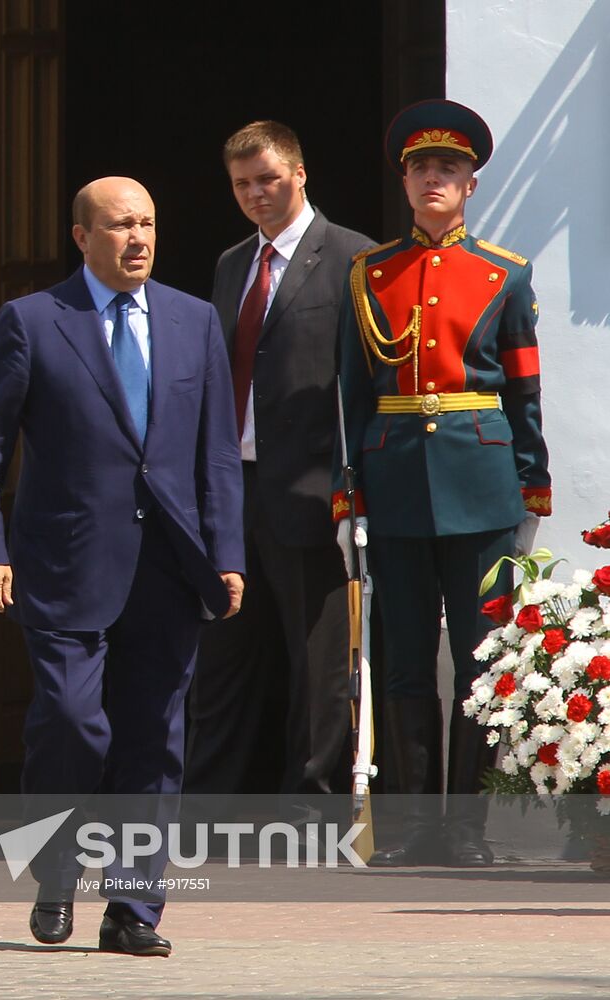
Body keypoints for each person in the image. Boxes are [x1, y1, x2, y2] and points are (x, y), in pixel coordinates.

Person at [0, 177, 245, 957]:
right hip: (64, 563)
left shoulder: (194, 320)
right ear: (81, 237)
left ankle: (134, 910)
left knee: (153, 736)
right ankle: (53, 868)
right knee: (72, 723)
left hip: (171, 567)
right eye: (119, 225)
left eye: (147, 223)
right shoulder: (34, 322)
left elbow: (216, 451)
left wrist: (226, 554)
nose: (137, 238)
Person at [334, 100, 550, 866]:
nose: (434, 178)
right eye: (422, 167)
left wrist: (532, 487)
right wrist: (347, 491)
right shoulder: (369, 275)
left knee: (479, 659)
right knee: (400, 663)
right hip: (393, 484)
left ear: (470, 186)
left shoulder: (503, 274)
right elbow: (351, 395)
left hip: (482, 482)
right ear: (404, 180)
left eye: (449, 169)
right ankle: (414, 830)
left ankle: (467, 832)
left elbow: (523, 389)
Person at [187, 121, 373, 798]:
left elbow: (365, 384)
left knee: (314, 661)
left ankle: (313, 806)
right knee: (224, 652)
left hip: (309, 488)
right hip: (231, 486)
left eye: (267, 179)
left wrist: (353, 490)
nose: (255, 195)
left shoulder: (353, 258)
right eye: (241, 184)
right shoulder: (232, 262)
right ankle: (207, 803)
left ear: (298, 174)